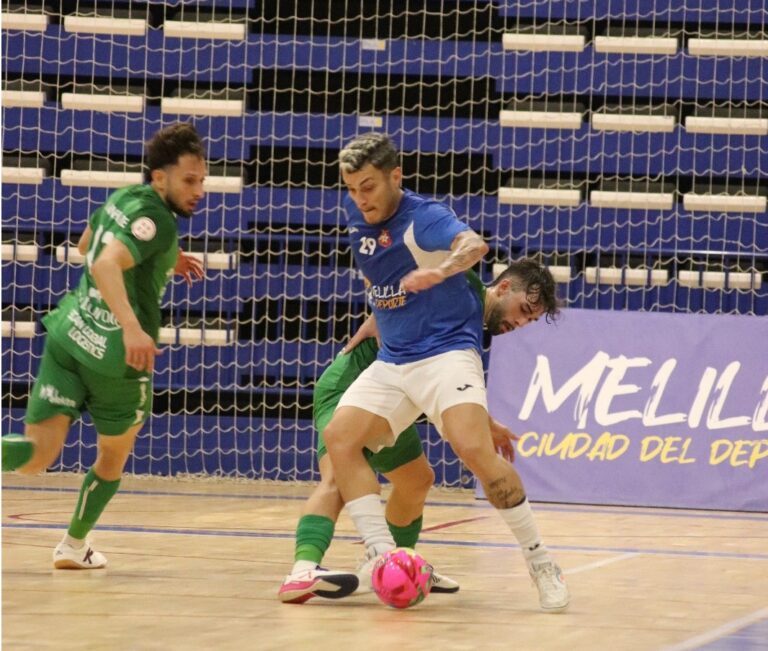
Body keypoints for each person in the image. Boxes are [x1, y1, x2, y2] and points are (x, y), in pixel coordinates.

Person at [322, 133, 570, 612]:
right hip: (394, 358)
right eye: (352, 188)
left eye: (368, 186)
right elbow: (379, 276)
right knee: (341, 438)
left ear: (395, 177)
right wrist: (379, 310)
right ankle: (380, 554)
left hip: (444, 354)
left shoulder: (425, 217)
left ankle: (541, 562)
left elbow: (472, 243)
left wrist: (440, 271)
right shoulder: (359, 217)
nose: (360, 197)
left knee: (474, 451)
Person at [278, 260, 558, 604]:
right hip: (349, 383)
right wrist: (378, 315)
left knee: (417, 479)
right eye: (523, 311)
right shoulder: (457, 280)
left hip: (400, 397)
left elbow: (439, 375)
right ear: (503, 288)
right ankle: (303, 569)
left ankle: (400, 566)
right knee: (336, 479)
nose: (519, 323)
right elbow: (395, 278)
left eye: (529, 320)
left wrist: (486, 422)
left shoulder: (467, 324)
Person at [1, 122, 207, 569]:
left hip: (70, 337)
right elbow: (106, 263)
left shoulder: (120, 199)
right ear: (159, 178)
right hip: (118, 361)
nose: (199, 190)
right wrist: (132, 327)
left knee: (34, 458)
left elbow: (87, 244)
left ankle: (74, 548)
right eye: (189, 180)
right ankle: (73, 545)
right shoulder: (160, 222)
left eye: (202, 181)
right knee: (112, 458)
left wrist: (165, 260)